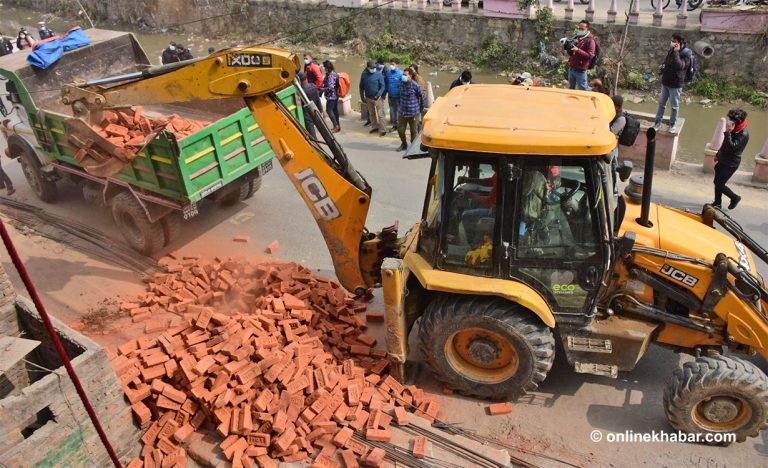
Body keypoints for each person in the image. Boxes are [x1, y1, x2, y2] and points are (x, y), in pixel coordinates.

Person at [653, 33, 690, 134]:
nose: (672, 42)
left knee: (674, 106)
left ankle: (672, 125)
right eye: (672, 40)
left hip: (675, 84)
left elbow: (680, 66)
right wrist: (663, 66)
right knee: (661, 104)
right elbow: (667, 61)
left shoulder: (686, 53)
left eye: (674, 41)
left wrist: (676, 53)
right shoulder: (671, 50)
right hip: (666, 82)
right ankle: (657, 123)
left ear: (679, 42)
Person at [713, 109, 749, 210]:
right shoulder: (734, 129)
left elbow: (732, 148)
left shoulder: (743, 134)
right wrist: (718, 154)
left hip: (730, 164)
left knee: (720, 184)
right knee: (716, 182)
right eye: (730, 118)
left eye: (733, 119)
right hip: (722, 159)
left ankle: (735, 198)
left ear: (740, 121)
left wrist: (728, 133)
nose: (730, 121)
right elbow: (725, 144)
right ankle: (717, 203)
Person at [458, 172, 497, 246]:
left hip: (496, 211)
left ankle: (474, 245)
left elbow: (489, 200)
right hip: (494, 206)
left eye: (493, 164)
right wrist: (468, 180)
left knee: (466, 215)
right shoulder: (498, 173)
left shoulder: (502, 173)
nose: (492, 166)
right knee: (473, 204)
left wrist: (470, 195)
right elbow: (490, 181)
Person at [396, 68, 426, 151]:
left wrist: (421, 108)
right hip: (402, 112)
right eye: (403, 74)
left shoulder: (415, 86)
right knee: (400, 130)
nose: (403, 76)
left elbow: (423, 97)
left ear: (410, 76)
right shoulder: (401, 84)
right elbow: (399, 95)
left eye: (405, 75)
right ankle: (404, 144)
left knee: (414, 132)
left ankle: (412, 147)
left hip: (413, 113)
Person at [359, 60, 386, 137]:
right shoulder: (364, 74)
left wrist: (378, 95)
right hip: (368, 98)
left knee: (380, 115)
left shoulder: (378, 74)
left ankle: (383, 130)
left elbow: (383, 86)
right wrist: (362, 96)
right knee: (372, 113)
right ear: (367, 67)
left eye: (374, 67)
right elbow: (361, 86)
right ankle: (375, 127)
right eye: (371, 67)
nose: (373, 69)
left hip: (377, 98)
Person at [566, 20, 596, 91]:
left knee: (584, 88)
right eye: (579, 28)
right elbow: (571, 53)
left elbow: (590, 55)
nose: (580, 30)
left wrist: (578, 50)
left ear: (587, 29)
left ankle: (596, 93)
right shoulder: (577, 38)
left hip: (580, 70)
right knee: (571, 88)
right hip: (572, 68)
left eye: (582, 29)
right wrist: (567, 47)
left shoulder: (590, 41)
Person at [298, 71, 322, 139]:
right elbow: (318, 99)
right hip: (315, 111)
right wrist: (320, 110)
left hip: (306, 115)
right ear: (306, 78)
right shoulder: (313, 86)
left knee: (312, 134)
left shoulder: (301, 91)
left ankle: (316, 147)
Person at [383, 58, 403, 130]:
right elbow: (386, 85)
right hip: (390, 96)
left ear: (397, 65)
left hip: (398, 97)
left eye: (393, 64)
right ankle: (395, 125)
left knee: (398, 111)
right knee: (392, 111)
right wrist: (384, 94)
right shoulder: (388, 74)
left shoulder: (401, 74)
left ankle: (400, 125)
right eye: (390, 64)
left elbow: (404, 86)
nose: (391, 66)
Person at [321, 60, 341, 133]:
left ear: (327, 68)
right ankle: (337, 126)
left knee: (329, 110)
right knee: (335, 111)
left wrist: (322, 89)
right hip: (335, 95)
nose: (323, 68)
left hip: (332, 96)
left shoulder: (331, 75)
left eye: (324, 67)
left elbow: (331, 87)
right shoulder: (332, 73)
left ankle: (336, 126)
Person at [410, 64, 429, 132]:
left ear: (415, 70)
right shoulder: (412, 77)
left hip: (419, 101)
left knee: (419, 120)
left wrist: (421, 105)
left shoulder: (419, 79)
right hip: (415, 101)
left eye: (412, 70)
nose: (410, 71)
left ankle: (419, 134)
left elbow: (421, 93)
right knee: (416, 119)